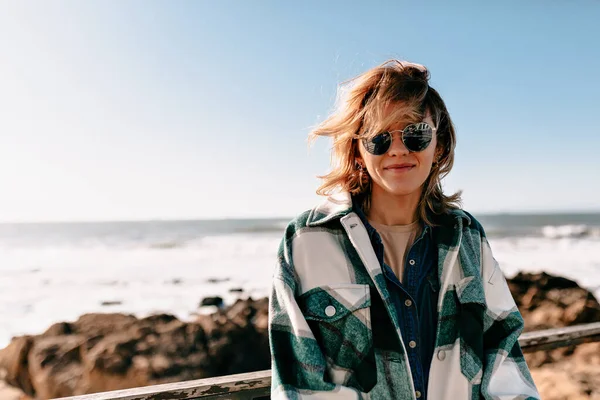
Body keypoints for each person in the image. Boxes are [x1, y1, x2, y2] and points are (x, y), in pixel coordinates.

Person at [268, 60, 539, 400]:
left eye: (415, 133)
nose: (397, 149)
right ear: (357, 151)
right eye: (379, 138)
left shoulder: (466, 237)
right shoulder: (306, 241)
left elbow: (504, 358)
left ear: (438, 145)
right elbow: (298, 385)